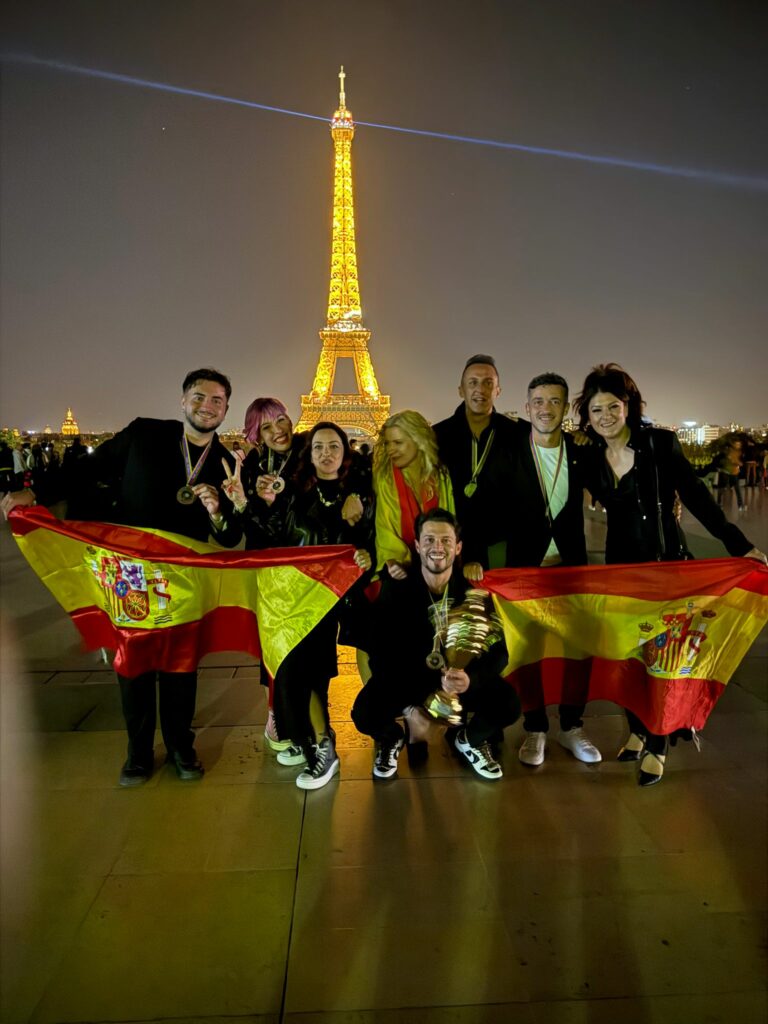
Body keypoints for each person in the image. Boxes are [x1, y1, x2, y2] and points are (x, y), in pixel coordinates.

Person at [2, 368, 241, 787]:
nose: (208, 406)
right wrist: (35, 492)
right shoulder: (144, 435)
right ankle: (139, 750)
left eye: (217, 400)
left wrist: (221, 510)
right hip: (129, 574)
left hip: (183, 580)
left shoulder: (227, 463)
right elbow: (82, 470)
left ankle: (181, 746)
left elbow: (233, 534)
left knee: (181, 669)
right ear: (183, 401)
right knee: (133, 666)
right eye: (200, 397)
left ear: (226, 408)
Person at [572, 363, 767, 787]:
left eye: (613, 406)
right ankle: (639, 731)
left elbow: (698, 498)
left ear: (628, 407)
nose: (605, 416)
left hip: (667, 568)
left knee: (666, 658)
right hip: (623, 573)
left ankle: (658, 742)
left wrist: (739, 545)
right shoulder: (589, 458)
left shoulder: (659, 445)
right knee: (630, 658)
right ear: (586, 414)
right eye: (596, 409)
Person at [352, 508, 520, 780]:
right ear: (417, 546)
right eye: (429, 540)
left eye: (445, 541)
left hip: (456, 685)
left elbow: (499, 654)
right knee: (364, 713)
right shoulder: (397, 589)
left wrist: (470, 680)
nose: (437, 547)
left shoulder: (472, 593)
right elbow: (379, 652)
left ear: (458, 547)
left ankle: (469, 740)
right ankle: (393, 739)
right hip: (410, 682)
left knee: (508, 704)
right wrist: (409, 708)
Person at [255, 420, 374, 790]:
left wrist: (364, 543)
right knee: (301, 671)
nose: (326, 453)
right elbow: (271, 535)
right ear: (310, 454)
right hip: (305, 594)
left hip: (345, 596)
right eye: (319, 447)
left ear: (346, 452)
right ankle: (320, 744)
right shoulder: (292, 493)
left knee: (316, 671)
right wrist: (258, 504)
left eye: (334, 446)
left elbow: (370, 541)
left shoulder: (362, 493)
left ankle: (329, 743)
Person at [509, 373, 600, 768]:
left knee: (580, 650)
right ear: (527, 407)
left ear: (566, 408)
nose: (546, 408)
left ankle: (571, 724)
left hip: (570, 567)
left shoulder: (582, 452)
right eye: (539, 401)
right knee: (527, 651)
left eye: (555, 401)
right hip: (526, 568)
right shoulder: (510, 451)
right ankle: (535, 728)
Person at [433, 355, 521, 579]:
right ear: (460, 390)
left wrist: (582, 436)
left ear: (498, 390)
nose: (480, 389)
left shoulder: (517, 434)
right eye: (472, 382)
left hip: (500, 546)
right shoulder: (437, 436)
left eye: (488, 383)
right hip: (450, 545)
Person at [373, 410, 453, 579]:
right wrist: (394, 561)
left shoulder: (442, 477)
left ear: (419, 441)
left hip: (441, 561)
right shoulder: (386, 480)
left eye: (398, 442)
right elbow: (384, 528)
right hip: (402, 569)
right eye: (387, 443)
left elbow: (452, 521)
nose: (391, 450)